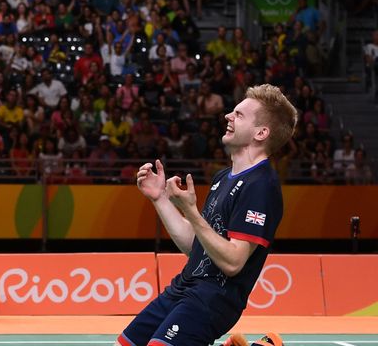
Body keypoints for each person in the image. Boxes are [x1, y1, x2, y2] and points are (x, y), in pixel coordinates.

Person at [117, 84, 297, 346]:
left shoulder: (261, 186)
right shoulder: (223, 178)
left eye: (239, 114)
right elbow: (197, 247)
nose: (228, 116)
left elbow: (234, 262)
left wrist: (191, 211)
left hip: (214, 298)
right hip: (183, 287)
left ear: (261, 132)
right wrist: (160, 199)